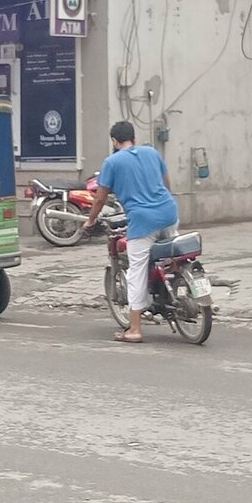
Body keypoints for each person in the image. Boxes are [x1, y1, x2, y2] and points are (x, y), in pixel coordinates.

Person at [85, 120, 179, 343]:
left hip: (142, 220)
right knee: (173, 256)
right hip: (169, 212)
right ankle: (174, 287)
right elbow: (167, 184)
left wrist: (90, 221)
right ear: (133, 138)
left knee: (136, 272)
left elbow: (100, 198)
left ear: (114, 141)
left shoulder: (112, 162)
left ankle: (135, 329)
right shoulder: (151, 152)